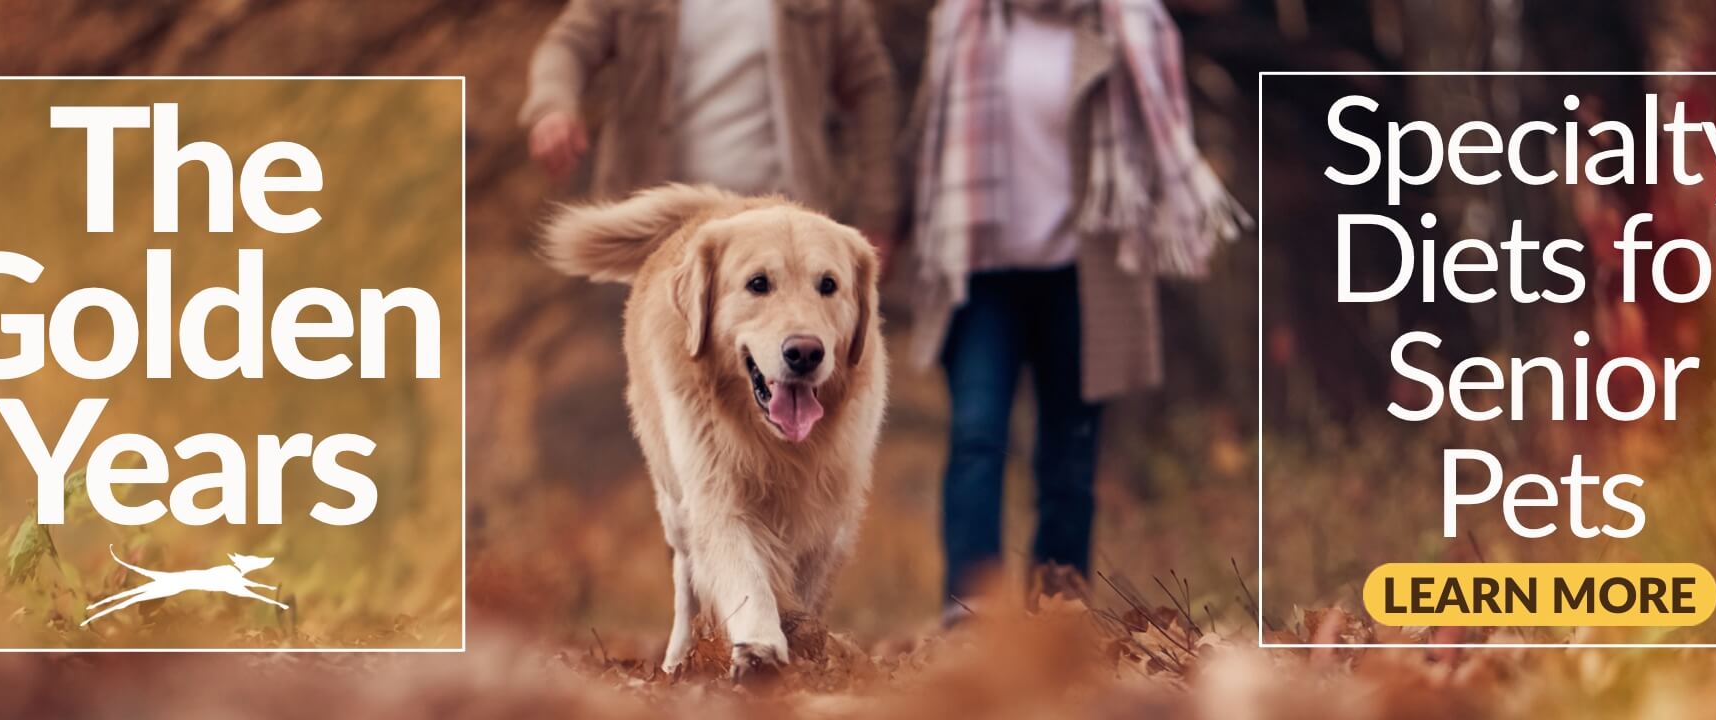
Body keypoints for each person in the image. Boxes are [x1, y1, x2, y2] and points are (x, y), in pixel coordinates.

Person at [901, 0, 1246, 618]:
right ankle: (969, 610)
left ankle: (1056, 614)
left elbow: (1167, 138)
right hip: (981, 270)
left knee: (1069, 454)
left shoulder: (1133, 24)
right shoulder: (962, 20)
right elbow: (924, 133)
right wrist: (887, 220)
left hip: (1085, 274)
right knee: (977, 433)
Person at [521, 0, 902, 245]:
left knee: (774, 365)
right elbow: (567, 45)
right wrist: (553, 104)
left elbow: (870, 85)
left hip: (785, 228)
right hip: (657, 231)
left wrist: (878, 207)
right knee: (654, 366)